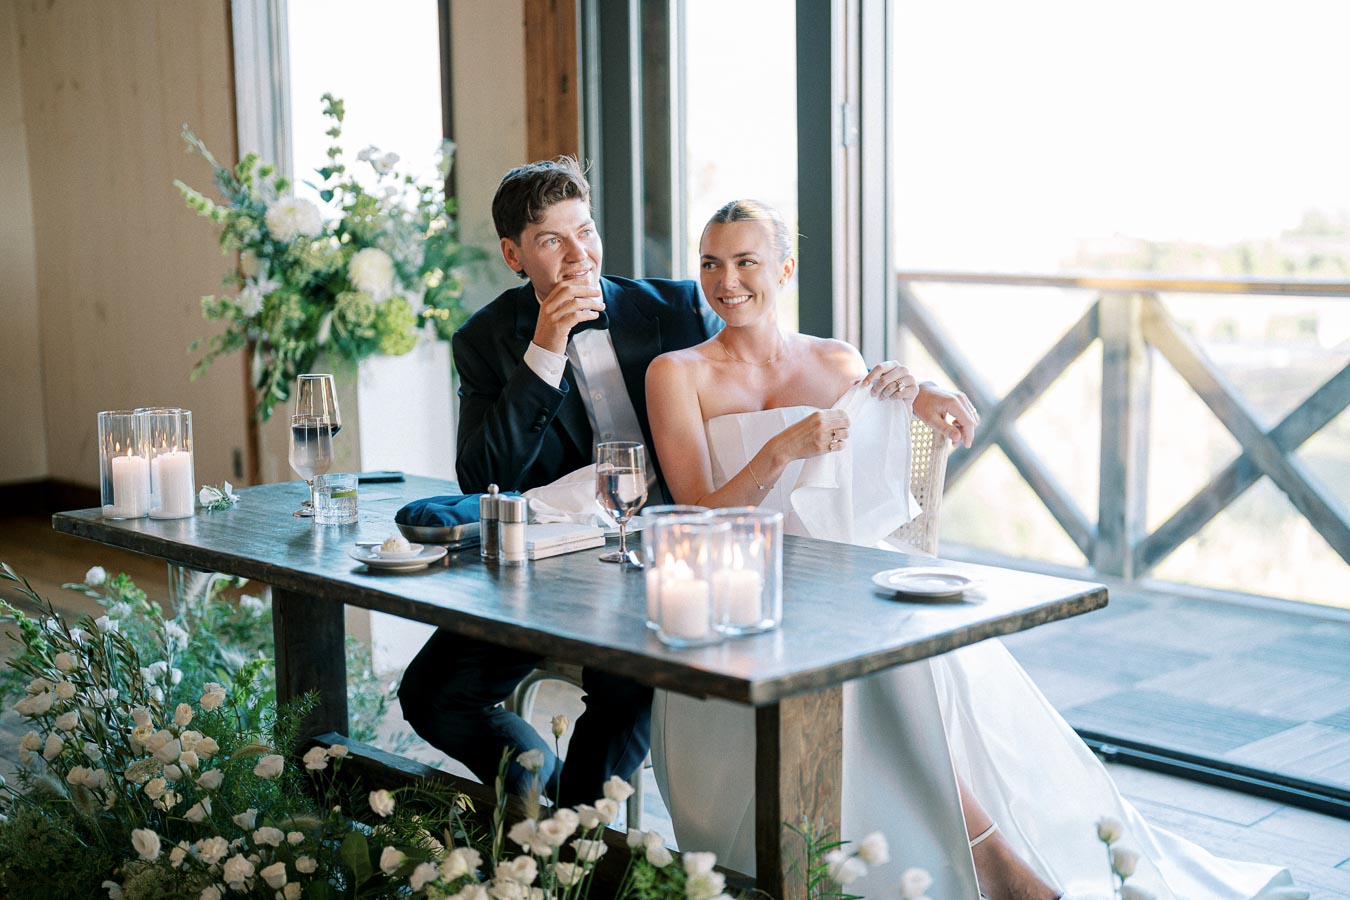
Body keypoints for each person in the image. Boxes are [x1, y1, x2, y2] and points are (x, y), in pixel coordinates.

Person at [644, 199, 1303, 900]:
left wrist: (915, 395)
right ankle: (995, 866)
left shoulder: (836, 359)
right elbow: (695, 516)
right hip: (744, 594)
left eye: (747, 261)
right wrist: (779, 451)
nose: (727, 281)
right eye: (711, 263)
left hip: (843, 577)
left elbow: (868, 464)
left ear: (784, 267)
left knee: (899, 650)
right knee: (876, 660)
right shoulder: (676, 373)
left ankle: (994, 856)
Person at [398, 158, 975, 807]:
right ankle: (540, 795)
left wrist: (910, 388)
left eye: (583, 231)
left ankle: (582, 837)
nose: (575, 255)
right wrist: (546, 348)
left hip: (677, 558)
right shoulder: (484, 340)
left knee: (625, 690)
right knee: (430, 692)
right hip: (549, 564)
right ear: (514, 254)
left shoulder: (671, 307)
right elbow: (483, 478)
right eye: (550, 241)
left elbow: (768, 367)